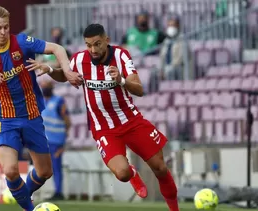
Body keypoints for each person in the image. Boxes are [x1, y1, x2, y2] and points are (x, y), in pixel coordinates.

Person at [26, 24, 179, 211]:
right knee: (122, 173)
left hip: (131, 121)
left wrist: (121, 81)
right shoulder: (80, 59)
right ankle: (132, 173)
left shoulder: (121, 56)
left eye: (97, 44)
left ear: (106, 41)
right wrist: (49, 69)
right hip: (104, 129)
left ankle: (174, 209)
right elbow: (65, 75)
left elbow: (139, 89)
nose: (93, 49)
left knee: (160, 168)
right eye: (88, 45)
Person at [0, 4, 83, 211]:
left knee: (44, 172)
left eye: (6, 27)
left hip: (32, 116)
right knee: (11, 170)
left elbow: (57, 48)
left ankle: (20, 194)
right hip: (3, 119)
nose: (3, 32)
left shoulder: (21, 42)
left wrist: (67, 71)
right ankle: (29, 207)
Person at [40, 80, 71, 200]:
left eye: (47, 86)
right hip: (44, 141)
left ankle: (59, 192)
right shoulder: (41, 101)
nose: (45, 89)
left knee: (56, 167)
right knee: (45, 168)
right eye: (43, 86)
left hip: (56, 141)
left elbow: (67, 121)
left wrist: (63, 141)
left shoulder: (58, 101)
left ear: (52, 88)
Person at [159, 15, 193, 80]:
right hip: (167, 69)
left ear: (178, 26)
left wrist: (168, 68)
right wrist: (162, 69)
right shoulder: (166, 41)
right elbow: (162, 56)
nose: (171, 28)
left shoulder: (182, 39)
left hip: (179, 70)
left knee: (170, 71)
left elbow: (180, 59)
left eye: (173, 25)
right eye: (169, 26)